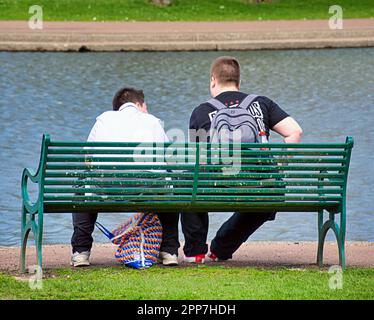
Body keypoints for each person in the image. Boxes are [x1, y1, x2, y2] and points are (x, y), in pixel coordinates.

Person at [182, 56, 303, 263]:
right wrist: (279, 169)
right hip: (262, 185)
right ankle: (220, 248)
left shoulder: (201, 111)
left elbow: (199, 160)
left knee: (187, 182)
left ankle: (196, 251)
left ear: (213, 80)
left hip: (218, 186)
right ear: (239, 81)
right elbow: (295, 132)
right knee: (267, 196)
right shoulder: (261, 103)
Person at [71, 87, 180, 267]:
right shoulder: (152, 122)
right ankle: (169, 251)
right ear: (138, 104)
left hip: (108, 188)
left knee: (84, 187)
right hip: (147, 189)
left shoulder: (103, 119)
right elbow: (168, 160)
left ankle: (81, 251)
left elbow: (87, 158)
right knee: (168, 187)